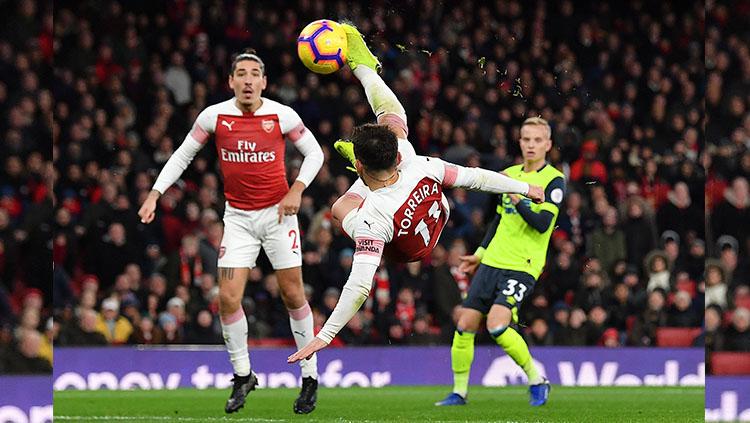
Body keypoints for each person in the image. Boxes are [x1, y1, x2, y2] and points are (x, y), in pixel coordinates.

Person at [287, 24, 543, 363]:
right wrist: (527, 187)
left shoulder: (371, 218)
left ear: (360, 168)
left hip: (410, 249)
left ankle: (364, 157)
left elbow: (360, 286)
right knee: (395, 123)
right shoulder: (418, 162)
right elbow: (478, 178)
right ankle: (365, 68)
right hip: (437, 213)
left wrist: (324, 336)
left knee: (338, 207)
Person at [138, 49, 324, 414]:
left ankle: (309, 376)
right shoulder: (214, 116)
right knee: (227, 299)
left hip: (278, 217)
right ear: (231, 81)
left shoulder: (281, 114)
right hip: (238, 219)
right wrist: (155, 193)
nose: (249, 80)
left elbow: (315, 153)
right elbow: (182, 155)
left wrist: (297, 188)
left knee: (292, 294)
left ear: (265, 82)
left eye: (255, 74)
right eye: (241, 73)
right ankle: (243, 376)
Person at [435, 116, 565, 407]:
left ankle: (536, 378)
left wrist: (519, 196)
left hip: (523, 264)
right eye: (526, 139)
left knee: (496, 325)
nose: (531, 145)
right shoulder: (507, 174)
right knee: (465, 322)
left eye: (537, 140)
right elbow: (497, 220)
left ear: (548, 144)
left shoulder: (553, 180)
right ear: (519, 141)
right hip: (493, 261)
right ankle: (459, 391)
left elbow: (543, 223)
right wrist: (479, 256)